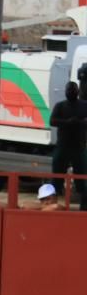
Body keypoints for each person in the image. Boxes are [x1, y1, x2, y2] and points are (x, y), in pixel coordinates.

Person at [49, 81, 87, 211]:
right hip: (63, 146)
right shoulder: (60, 106)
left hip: (79, 147)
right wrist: (67, 122)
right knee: (56, 177)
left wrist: (81, 122)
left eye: (73, 90)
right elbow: (52, 121)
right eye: (69, 90)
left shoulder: (84, 105)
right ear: (65, 92)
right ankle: (52, 205)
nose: (71, 92)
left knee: (82, 179)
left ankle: (84, 207)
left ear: (78, 91)